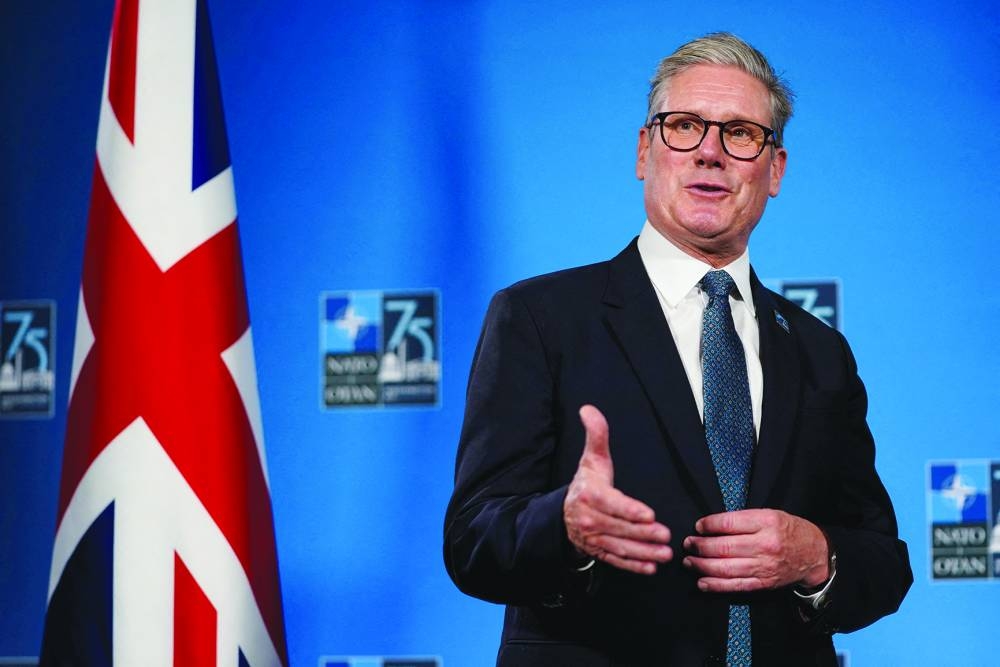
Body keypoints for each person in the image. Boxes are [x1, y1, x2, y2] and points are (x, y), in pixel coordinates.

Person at [443, 32, 912, 667]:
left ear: (774, 170)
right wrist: (566, 526)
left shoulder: (820, 350)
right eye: (685, 126)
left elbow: (883, 562)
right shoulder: (539, 318)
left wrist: (816, 555)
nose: (710, 153)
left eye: (741, 133)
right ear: (645, 151)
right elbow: (473, 540)